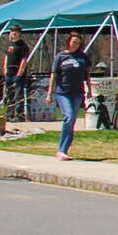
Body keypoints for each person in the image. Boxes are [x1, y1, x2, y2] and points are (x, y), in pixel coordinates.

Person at [50, 31, 91, 160]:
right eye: (74, 42)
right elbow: (54, 75)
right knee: (68, 116)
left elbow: (87, 74)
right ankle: (61, 150)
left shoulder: (82, 57)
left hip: (77, 92)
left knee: (72, 120)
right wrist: (49, 93)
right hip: (63, 92)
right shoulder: (61, 56)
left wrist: (89, 89)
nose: (76, 45)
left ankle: (64, 150)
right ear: (68, 42)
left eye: (78, 43)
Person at [4, 31, 33, 119]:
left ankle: (19, 115)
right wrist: (5, 68)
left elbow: (24, 59)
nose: (13, 33)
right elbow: (6, 56)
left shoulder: (23, 45)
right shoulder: (9, 44)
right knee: (9, 95)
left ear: (19, 33)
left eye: (15, 32)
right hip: (9, 73)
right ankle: (9, 115)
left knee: (18, 95)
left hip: (18, 73)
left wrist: (20, 72)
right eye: (12, 31)